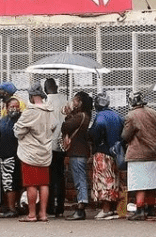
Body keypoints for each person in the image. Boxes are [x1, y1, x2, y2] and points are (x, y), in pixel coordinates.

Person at [14, 82, 54, 222]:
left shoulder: (30, 112)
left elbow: (18, 131)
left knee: (31, 184)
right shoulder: (50, 110)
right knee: (44, 183)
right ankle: (43, 214)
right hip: (45, 151)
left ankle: (32, 214)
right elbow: (54, 127)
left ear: (31, 96)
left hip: (30, 152)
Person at [122, 91, 156, 221]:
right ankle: (151, 210)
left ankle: (140, 210)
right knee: (152, 183)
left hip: (138, 154)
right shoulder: (154, 113)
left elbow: (125, 136)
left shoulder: (131, 115)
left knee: (139, 184)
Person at [88, 92, 123, 220]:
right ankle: (114, 208)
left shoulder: (100, 116)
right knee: (114, 180)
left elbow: (95, 132)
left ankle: (106, 209)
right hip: (116, 152)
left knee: (104, 181)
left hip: (102, 151)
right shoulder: (116, 115)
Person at [61, 91, 92, 221]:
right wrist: (70, 114)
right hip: (81, 152)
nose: (72, 103)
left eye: (74, 101)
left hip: (77, 152)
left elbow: (65, 127)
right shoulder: (84, 115)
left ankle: (81, 206)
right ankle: (81, 204)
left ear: (80, 102)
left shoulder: (81, 116)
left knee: (79, 179)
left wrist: (68, 116)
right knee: (80, 178)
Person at [0, 97, 23, 218]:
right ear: (6, 108)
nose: (15, 109)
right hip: (4, 155)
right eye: (12, 106)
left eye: (17, 106)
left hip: (17, 155)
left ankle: (13, 208)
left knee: (12, 183)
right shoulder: (3, 120)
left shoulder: (22, 119)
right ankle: (9, 206)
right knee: (8, 182)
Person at [44, 78, 66, 218]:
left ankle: (51, 206)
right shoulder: (65, 99)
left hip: (48, 144)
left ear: (46, 89)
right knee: (61, 176)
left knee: (50, 177)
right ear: (56, 86)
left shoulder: (47, 103)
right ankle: (60, 207)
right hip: (62, 143)